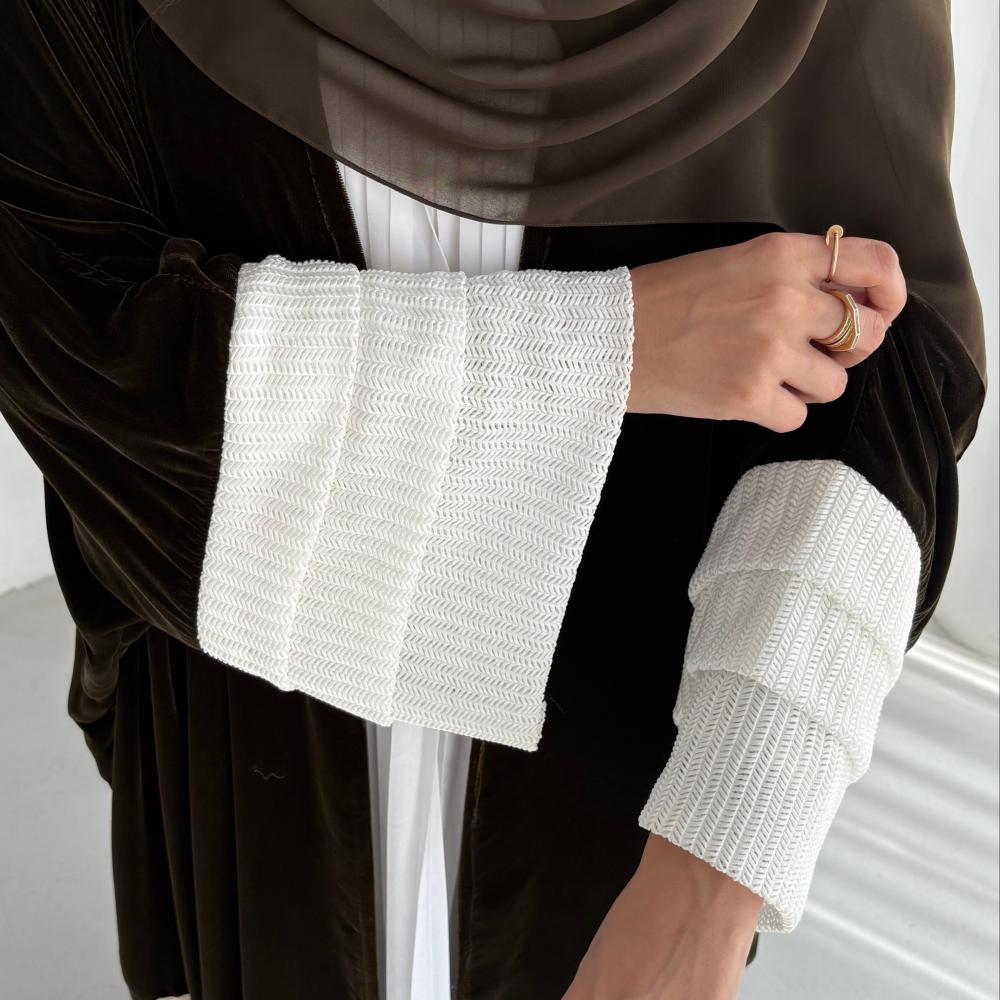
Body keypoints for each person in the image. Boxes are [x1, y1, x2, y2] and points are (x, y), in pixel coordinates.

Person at [0, 2, 986, 999]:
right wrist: (616, 347)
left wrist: (707, 881)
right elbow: (76, 353)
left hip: (625, 759)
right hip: (254, 716)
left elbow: (881, 381)